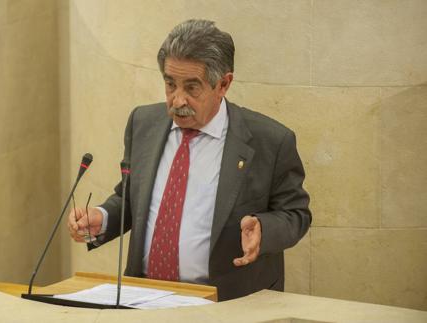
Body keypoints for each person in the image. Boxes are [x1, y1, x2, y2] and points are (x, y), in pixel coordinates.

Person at [67, 19, 311, 301]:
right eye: (170, 84)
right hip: (142, 296)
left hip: (225, 302)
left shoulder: (271, 140)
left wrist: (264, 229)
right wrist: (103, 218)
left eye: (192, 88)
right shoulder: (142, 122)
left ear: (223, 84)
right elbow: (131, 198)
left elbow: (296, 214)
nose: (177, 100)